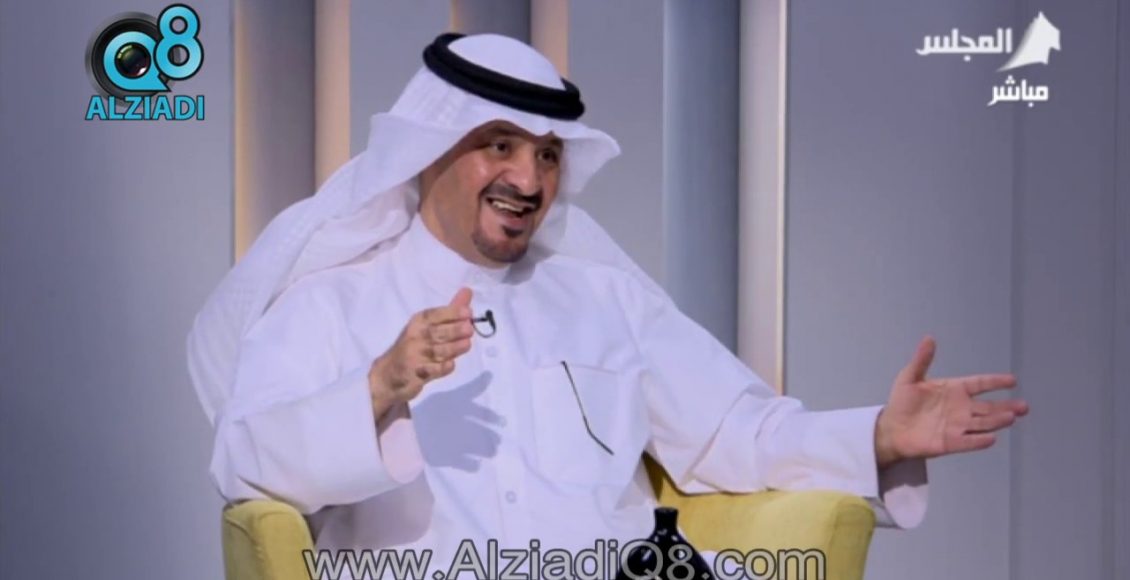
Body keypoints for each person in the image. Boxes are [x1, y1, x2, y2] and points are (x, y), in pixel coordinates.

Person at [187, 32, 1028, 579]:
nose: (528, 180)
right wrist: (378, 387)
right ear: (432, 149)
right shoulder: (331, 304)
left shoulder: (605, 299)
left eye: (548, 155)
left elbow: (733, 433)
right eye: (500, 146)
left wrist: (878, 436)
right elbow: (248, 463)